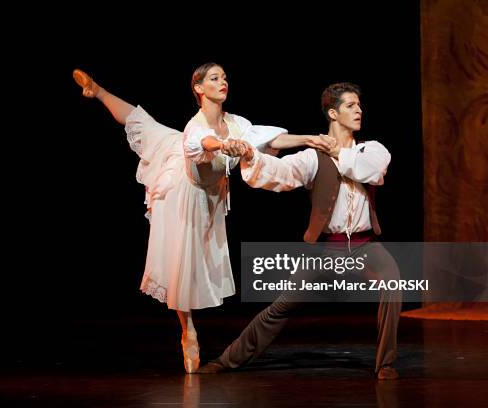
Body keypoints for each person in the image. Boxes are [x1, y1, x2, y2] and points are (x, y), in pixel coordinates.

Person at [73, 63, 333, 373]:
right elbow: (204, 142)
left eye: (224, 77)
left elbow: (271, 139)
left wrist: (310, 139)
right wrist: (224, 145)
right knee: (182, 265)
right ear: (199, 88)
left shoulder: (236, 123)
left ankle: (97, 91)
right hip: (182, 193)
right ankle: (189, 331)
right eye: (214, 78)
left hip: (211, 194)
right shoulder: (195, 127)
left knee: (148, 126)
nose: (222, 82)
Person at [197, 82, 402, 380]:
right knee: (281, 306)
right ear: (333, 113)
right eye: (350, 105)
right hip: (324, 249)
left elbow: (369, 170)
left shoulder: (371, 150)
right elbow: (279, 173)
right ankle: (227, 360)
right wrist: (251, 156)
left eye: (359, 105)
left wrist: (337, 152)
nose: (359, 110)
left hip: (364, 246)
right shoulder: (311, 157)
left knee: (393, 284)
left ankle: (385, 363)